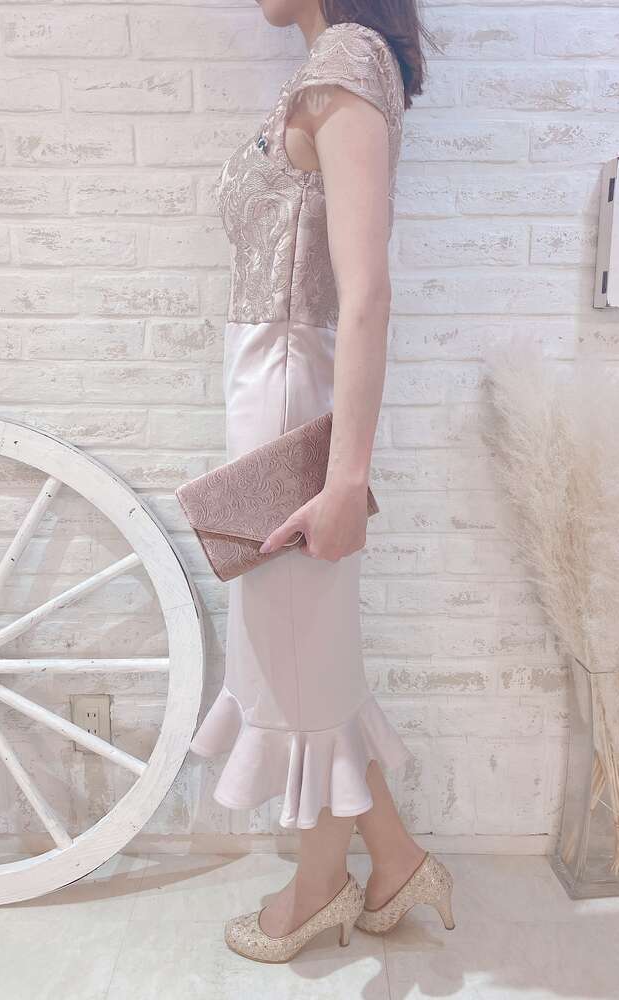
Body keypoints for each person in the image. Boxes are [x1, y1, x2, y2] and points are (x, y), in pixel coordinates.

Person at [188, 0, 455, 962]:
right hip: (275, 390)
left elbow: (366, 290)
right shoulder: (335, 66)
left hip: (290, 398)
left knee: (295, 669)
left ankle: (316, 892)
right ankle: (397, 862)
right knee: (307, 655)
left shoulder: (344, 59)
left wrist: (345, 482)